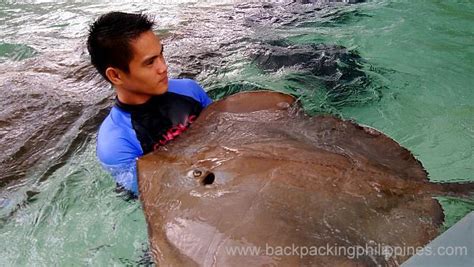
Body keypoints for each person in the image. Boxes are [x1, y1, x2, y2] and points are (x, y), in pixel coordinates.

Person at [87, 12, 212, 196]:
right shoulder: (116, 143)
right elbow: (159, 196)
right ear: (115, 75)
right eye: (150, 62)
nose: (163, 67)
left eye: (161, 54)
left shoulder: (189, 90)